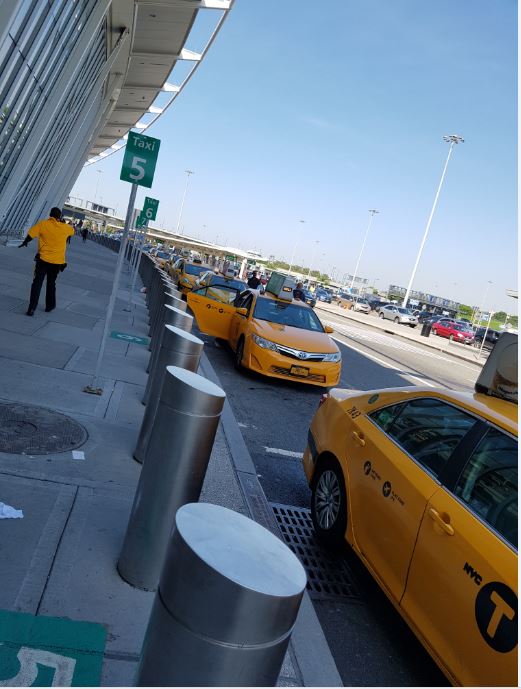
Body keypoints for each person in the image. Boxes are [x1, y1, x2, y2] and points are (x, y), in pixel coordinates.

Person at [18, 207, 74, 316]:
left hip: (43, 259)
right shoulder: (65, 228)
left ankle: (32, 308)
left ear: (50, 215)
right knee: (51, 283)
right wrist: (63, 223)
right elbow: (72, 231)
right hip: (57, 262)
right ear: (60, 216)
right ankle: (50, 306)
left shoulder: (43, 224)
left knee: (37, 283)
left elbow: (31, 234)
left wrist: (25, 242)